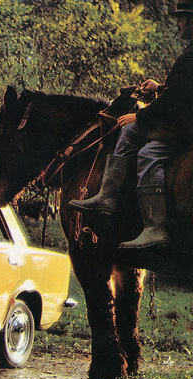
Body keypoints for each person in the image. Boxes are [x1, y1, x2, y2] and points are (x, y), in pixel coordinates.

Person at [70, 1, 193, 249]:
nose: (178, 24)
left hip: (183, 128)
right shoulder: (189, 52)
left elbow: (177, 99)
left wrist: (140, 115)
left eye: (181, 19)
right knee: (128, 130)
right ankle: (107, 195)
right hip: (177, 122)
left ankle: (155, 227)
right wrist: (158, 87)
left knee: (148, 155)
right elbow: (178, 89)